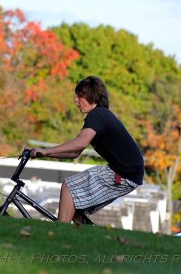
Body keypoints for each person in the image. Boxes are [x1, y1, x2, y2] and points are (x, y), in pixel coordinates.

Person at [30, 76, 144, 224]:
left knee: (68, 187)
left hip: (123, 173)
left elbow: (80, 144)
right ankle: (85, 242)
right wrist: (43, 154)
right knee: (75, 210)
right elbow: (74, 152)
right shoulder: (100, 116)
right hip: (129, 174)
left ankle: (57, 235)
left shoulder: (98, 114)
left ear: (92, 96)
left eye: (80, 96)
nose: (76, 100)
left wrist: (45, 151)